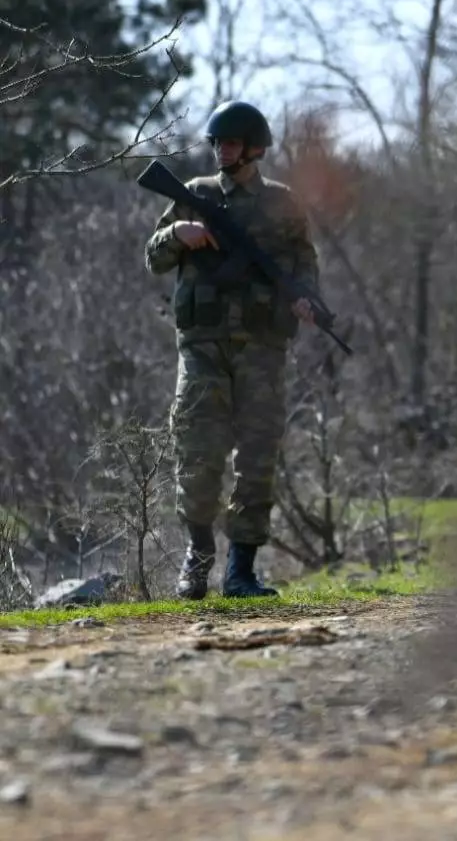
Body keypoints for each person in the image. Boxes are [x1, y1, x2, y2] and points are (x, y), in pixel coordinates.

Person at [144, 100, 322, 600]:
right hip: (202, 348)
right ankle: (197, 562)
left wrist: (308, 300)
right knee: (198, 453)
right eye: (217, 142)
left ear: (255, 148)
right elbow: (154, 258)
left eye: (232, 143)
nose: (222, 150)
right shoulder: (194, 195)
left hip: (263, 349)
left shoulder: (284, 204)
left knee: (258, 457)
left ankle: (241, 571)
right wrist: (177, 233)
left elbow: (304, 265)